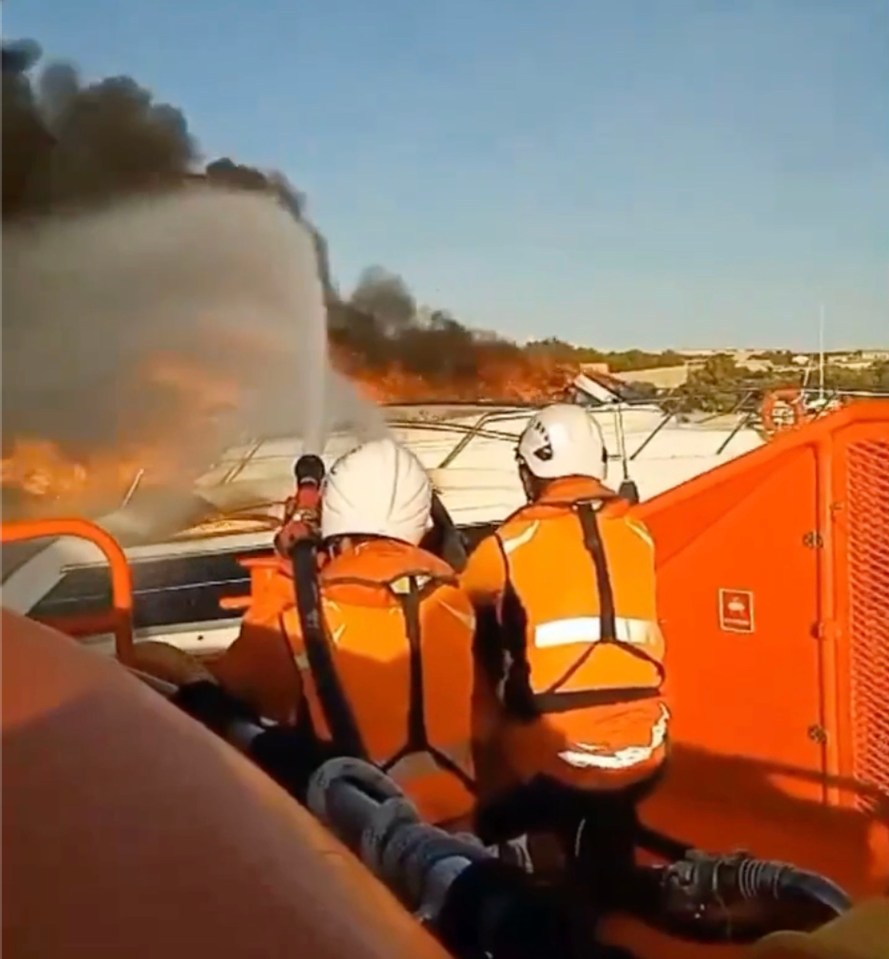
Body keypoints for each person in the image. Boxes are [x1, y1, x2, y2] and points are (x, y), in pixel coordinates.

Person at [136, 437, 478, 828]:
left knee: (156, 659)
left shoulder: (296, 617)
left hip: (350, 835)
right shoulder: (458, 604)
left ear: (334, 519)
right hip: (454, 831)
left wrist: (287, 572)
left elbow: (234, 693)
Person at [459, 403, 668, 909]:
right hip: (652, 747)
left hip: (556, 761)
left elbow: (454, 608)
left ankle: (523, 875)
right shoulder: (639, 532)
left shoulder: (507, 544)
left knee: (489, 723)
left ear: (531, 468)